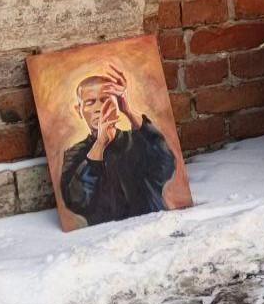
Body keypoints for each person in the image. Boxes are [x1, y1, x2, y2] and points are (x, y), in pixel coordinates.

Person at [59, 66, 178, 226]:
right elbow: (78, 201)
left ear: (117, 104)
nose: (99, 108)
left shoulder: (137, 140)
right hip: (110, 235)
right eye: (90, 102)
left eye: (105, 100)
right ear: (79, 111)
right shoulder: (75, 153)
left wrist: (128, 111)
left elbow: (166, 165)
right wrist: (100, 144)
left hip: (152, 225)